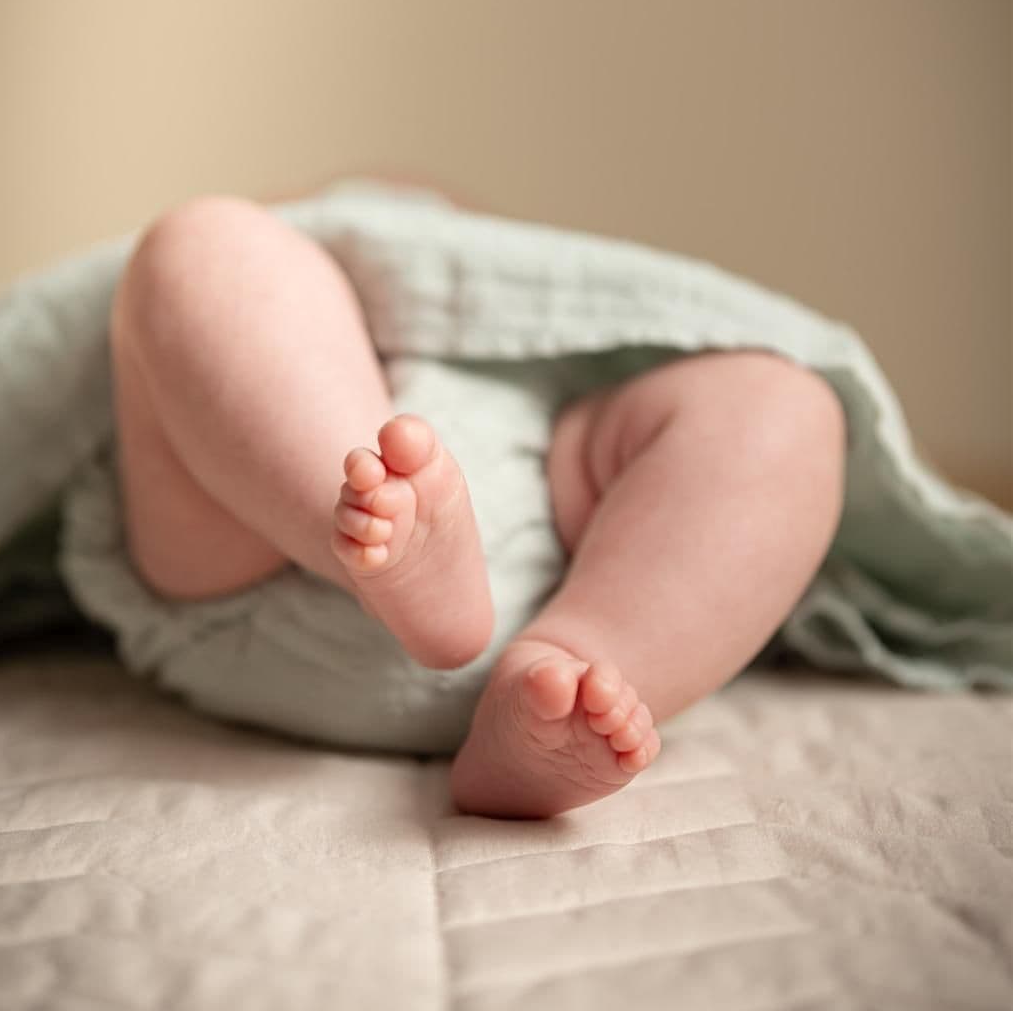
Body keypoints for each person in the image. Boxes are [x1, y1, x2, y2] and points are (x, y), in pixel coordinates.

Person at [109, 192, 846, 819]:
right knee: (204, 247)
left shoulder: (538, 383)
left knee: (786, 407)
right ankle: (379, 543)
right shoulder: (297, 266)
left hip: (555, 559)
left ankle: (569, 673)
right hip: (248, 553)